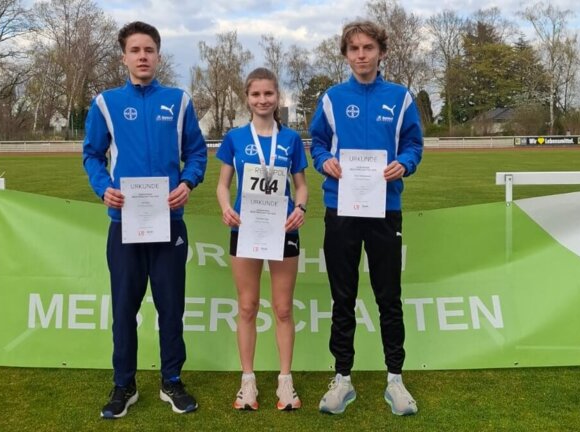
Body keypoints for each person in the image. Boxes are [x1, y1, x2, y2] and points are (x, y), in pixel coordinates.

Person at [83, 21, 207, 419]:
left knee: (171, 307)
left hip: (169, 222)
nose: (142, 56)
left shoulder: (179, 100)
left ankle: (172, 381)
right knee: (124, 309)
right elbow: (91, 155)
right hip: (125, 224)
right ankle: (124, 385)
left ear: (158, 55)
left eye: (149, 50)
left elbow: (197, 153)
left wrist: (188, 182)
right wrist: (104, 188)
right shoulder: (105, 103)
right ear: (123, 57)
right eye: (135, 50)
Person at [308, 20, 423, 416]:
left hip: (384, 210)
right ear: (345, 55)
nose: (361, 55)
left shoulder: (400, 97)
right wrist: (325, 162)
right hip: (341, 209)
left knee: (388, 296)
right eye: (354, 48)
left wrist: (404, 165)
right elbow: (318, 143)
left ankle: (395, 379)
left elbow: (413, 144)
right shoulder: (332, 98)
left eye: (368, 48)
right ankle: (342, 378)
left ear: (381, 52)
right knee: (343, 297)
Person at [215, 67, 308, 411]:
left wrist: (300, 208)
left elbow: (300, 185)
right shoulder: (235, 138)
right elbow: (223, 184)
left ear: (277, 97)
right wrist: (226, 207)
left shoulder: (292, 139)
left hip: (283, 229)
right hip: (245, 229)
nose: (262, 99)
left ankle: (286, 382)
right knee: (247, 306)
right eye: (256, 94)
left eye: (269, 93)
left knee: (283, 309)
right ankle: (248, 382)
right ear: (247, 98)